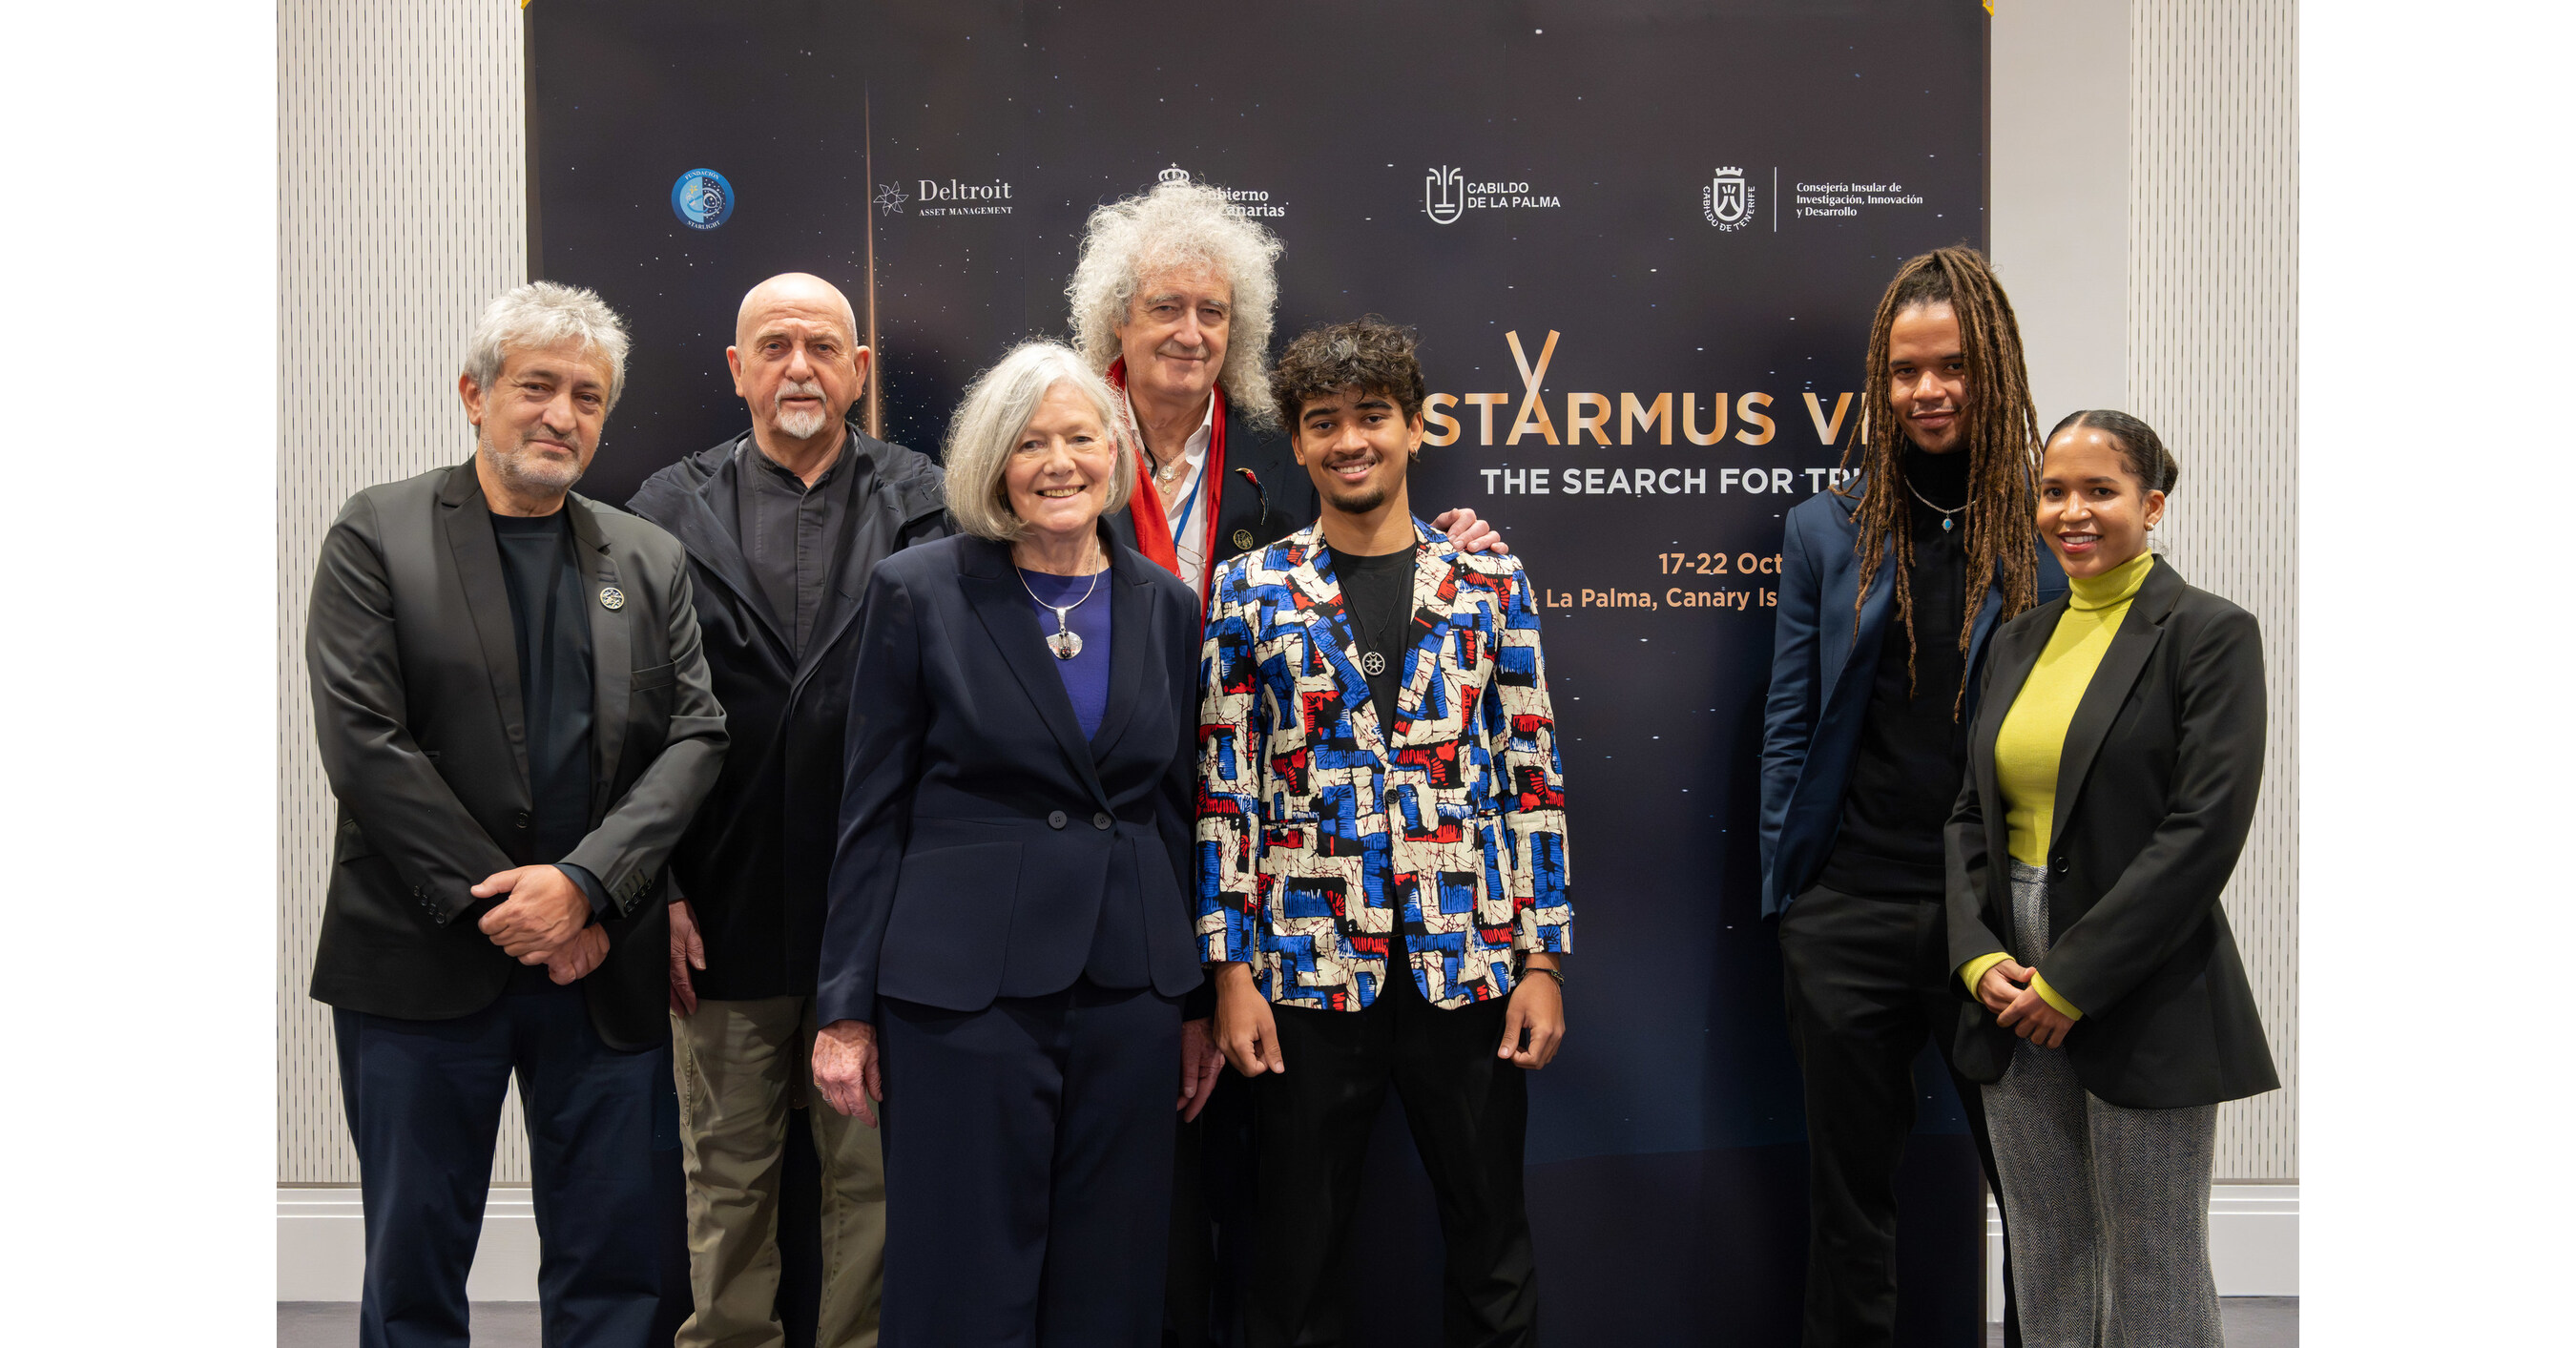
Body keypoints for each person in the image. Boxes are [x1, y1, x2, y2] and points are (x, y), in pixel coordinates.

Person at [1065, 176, 1505, 1344]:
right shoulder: (1058, 442)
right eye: (1165, 308)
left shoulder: (1273, 456)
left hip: (1250, 853)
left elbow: (1379, 557)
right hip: (1104, 837)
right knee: (1154, 1187)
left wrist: (1463, 542)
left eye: (1213, 312)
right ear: (1119, 319)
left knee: (1283, 1198)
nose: (1190, 333)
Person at [305, 281, 728, 1348]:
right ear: (474, 394)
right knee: (415, 1262)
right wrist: (514, 904)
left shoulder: (647, 557)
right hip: (420, 960)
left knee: (617, 1266)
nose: (561, 416)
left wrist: (584, 889)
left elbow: (696, 737)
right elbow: (366, 743)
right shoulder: (377, 532)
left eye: (588, 398)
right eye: (537, 387)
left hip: (602, 966)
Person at [808, 342, 1215, 1346]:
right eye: (1031, 443)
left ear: (1113, 455)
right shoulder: (919, 590)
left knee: (1112, 1278)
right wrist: (845, 1011)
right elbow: (871, 810)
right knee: (960, 1273)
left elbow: (1174, 808)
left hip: (1130, 989)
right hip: (960, 994)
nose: (1059, 462)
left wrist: (1197, 998)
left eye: (1081, 437)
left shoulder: (1165, 603)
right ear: (994, 464)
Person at [1199, 320, 1570, 1348]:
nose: (1349, 441)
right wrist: (1230, 973)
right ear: (1301, 443)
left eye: (1372, 417)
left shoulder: (1491, 583)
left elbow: (1530, 777)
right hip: (1305, 974)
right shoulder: (1249, 590)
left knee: (1492, 1245)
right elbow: (1227, 792)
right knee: (1295, 1257)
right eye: (1324, 424)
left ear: (1415, 427)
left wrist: (1543, 957)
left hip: (1473, 962)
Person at [626, 273, 945, 1348]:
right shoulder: (661, 512)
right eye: (773, 345)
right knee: (725, 1185)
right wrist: (658, 886)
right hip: (720, 910)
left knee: (877, 1191)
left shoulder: (931, 504)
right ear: (736, 369)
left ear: (860, 370)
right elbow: (628, 727)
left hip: (882, 920)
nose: (798, 366)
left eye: (822, 346)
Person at [1759, 245, 2063, 1348]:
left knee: (2040, 1206)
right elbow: (1789, 724)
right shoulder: (1825, 528)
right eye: (1903, 371)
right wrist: (1796, 903)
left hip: (2004, 922)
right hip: (1852, 911)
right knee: (1849, 1209)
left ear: (1995, 370)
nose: (1926, 391)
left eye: (1951, 368)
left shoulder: (2050, 532)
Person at [1947, 411, 2276, 1348]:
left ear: (2152, 503)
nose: (2072, 511)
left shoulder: (2209, 634)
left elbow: (2204, 829)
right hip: (2010, 974)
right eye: (2054, 491)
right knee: (2048, 1243)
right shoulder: (2017, 639)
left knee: (2152, 1252)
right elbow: (1971, 815)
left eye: (2101, 490)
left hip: (2143, 973)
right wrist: (1977, 959)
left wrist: (2073, 980)